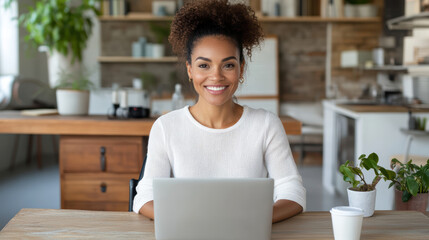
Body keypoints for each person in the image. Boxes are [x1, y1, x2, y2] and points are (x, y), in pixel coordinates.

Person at [133, 0, 306, 223]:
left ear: (241, 69)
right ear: (190, 70)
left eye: (228, 65)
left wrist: (251, 220)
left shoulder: (265, 125)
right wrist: (192, 221)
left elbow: (293, 191)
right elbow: (144, 197)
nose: (216, 77)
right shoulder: (166, 127)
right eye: (204, 65)